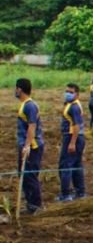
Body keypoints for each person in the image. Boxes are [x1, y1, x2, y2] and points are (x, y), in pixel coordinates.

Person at [14, 78, 44, 214]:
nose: (15, 91)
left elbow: (32, 126)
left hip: (32, 146)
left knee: (30, 176)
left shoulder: (29, 105)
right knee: (24, 175)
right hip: (26, 144)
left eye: (16, 88)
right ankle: (30, 204)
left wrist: (26, 146)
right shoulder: (25, 104)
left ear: (20, 89)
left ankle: (36, 206)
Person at [56, 83, 86, 202]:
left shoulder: (74, 107)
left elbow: (76, 125)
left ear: (77, 94)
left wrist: (72, 143)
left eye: (71, 92)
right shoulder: (71, 104)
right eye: (66, 91)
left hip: (72, 137)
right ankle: (80, 192)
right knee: (76, 165)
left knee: (65, 165)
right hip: (77, 137)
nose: (67, 94)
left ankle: (65, 194)